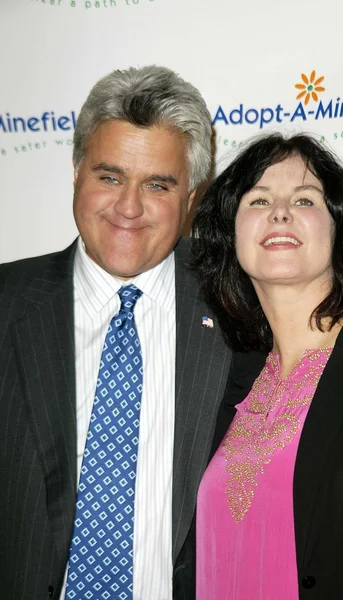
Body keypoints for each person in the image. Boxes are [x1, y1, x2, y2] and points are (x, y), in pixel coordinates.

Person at [0, 65, 238, 600]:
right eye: (109, 177)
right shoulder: (6, 304)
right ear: (77, 172)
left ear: (193, 196)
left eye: (158, 184)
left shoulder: (242, 309)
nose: (128, 208)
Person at [193, 132, 343, 599]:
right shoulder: (223, 376)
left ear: (340, 229)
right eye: (259, 199)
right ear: (231, 234)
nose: (280, 211)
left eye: (304, 199)